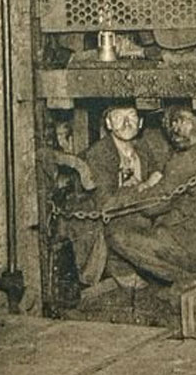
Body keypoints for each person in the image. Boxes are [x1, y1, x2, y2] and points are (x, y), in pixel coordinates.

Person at [104, 105, 196, 297]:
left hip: (195, 250)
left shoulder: (189, 158)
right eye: (174, 122)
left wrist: (125, 197)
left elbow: (155, 205)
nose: (176, 128)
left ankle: (187, 279)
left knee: (117, 235)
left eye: (184, 122)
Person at [60, 103, 170, 291]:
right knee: (125, 235)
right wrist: (144, 186)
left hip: (135, 211)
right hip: (107, 222)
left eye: (132, 116)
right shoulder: (100, 153)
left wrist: (150, 183)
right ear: (109, 124)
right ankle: (119, 267)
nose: (127, 122)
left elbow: (157, 174)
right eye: (118, 117)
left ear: (141, 122)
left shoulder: (142, 146)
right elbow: (106, 203)